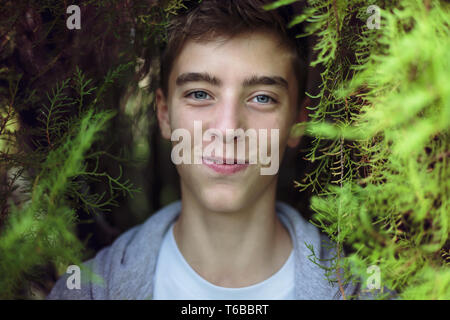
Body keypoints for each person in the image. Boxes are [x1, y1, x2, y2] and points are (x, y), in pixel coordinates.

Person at [47, 0, 365, 300]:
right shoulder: (87, 291)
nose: (227, 129)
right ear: (164, 114)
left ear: (297, 122)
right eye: (200, 94)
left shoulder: (364, 292)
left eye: (262, 98)